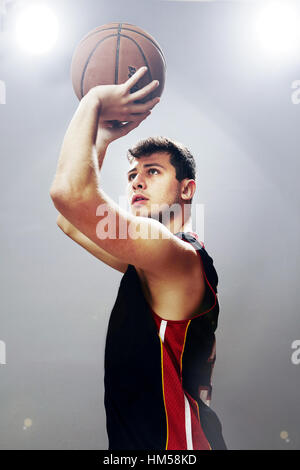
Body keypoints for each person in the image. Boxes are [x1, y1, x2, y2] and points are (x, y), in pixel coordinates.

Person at [50, 66, 227, 450]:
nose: (136, 182)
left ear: (186, 188)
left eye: (152, 171)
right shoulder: (150, 264)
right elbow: (70, 220)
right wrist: (101, 137)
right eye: (132, 175)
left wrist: (93, 101)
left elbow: (71, 194)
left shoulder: (177, 257)